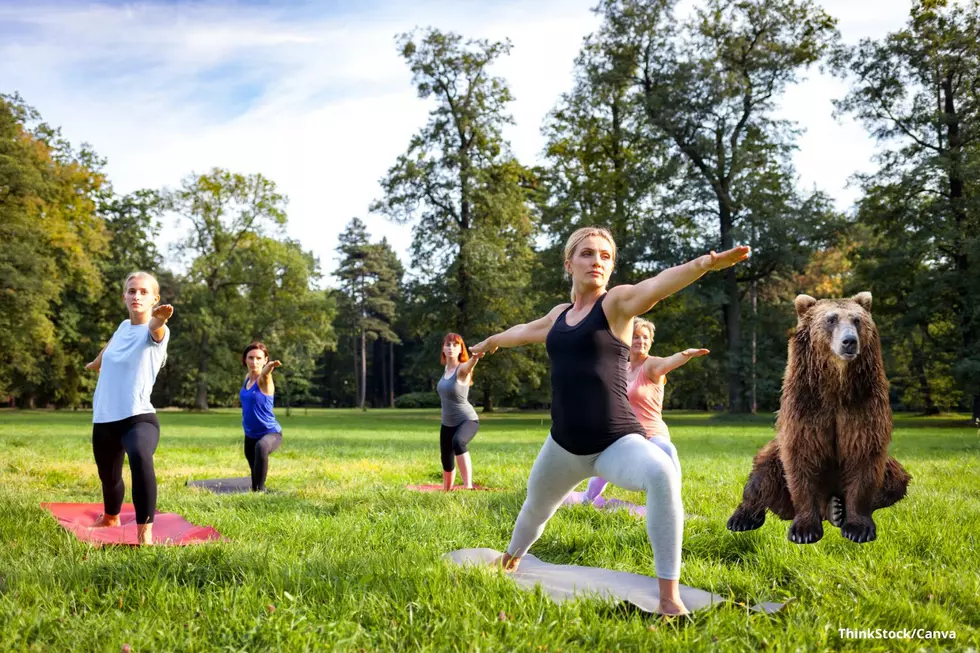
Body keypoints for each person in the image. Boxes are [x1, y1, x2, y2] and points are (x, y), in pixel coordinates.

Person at [470, 226, 749, 615]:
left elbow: (656, 287)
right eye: (587, 253)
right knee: (535, 509)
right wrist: (490, 342)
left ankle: (669, 598)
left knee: (662, 473)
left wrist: (705, 264)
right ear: (569, 263)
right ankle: (511, 559)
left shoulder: (615, 305)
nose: (596, 261)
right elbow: (522, 331)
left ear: (612, 266)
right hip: (563, 445)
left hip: (616, 440)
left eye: (604, 255)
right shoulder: (559, 316)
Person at [84, 271, 172, 546]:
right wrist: (96, 363)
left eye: (144, 292)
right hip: (105, 418)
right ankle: (111, 516)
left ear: (154, 298)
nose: (137, 296)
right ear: (124, 296)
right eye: (132, 291)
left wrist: (159, 318)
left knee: (140, 457)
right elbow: (110, 347)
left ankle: (144, 533)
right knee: (109, 478)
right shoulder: (123, 326)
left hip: (139, 419)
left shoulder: (157, 330)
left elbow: (154, 328)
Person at [581, 318, 708, 503]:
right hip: (626, 433)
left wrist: (685, 354)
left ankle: (673, 501)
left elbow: (669, 362)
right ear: (625, 339)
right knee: (605, 458)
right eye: (635, 337)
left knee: (666, 449)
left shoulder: (652, 366)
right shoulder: (621, 368)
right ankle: (588, 499)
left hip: (651, 433)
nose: (641, 341)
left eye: (645, 337)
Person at [436, 333, 483, 491]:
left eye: (455, 345)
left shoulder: (461, 369)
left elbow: (468, 366)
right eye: (448, 344)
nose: (451, 348)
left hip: (467, 420)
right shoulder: (446, 370)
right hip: (447, 423)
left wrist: (475, 358)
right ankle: (446, 491)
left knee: (458, 442)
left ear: (460, 349)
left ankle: (468, 486)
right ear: (443, 348)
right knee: (446, 458)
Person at [240, 342, 283, 492]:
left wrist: (269, 367)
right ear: (245, 359)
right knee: (254, 469)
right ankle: (256, 490)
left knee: (262, 447)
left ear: (265, 359)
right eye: (251, 358)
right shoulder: (247, 378)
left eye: (259, 358)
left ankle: (261, 491)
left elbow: (265, 373)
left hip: (270, 432)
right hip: (250, 434)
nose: (254, 362)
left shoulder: (265, 380)